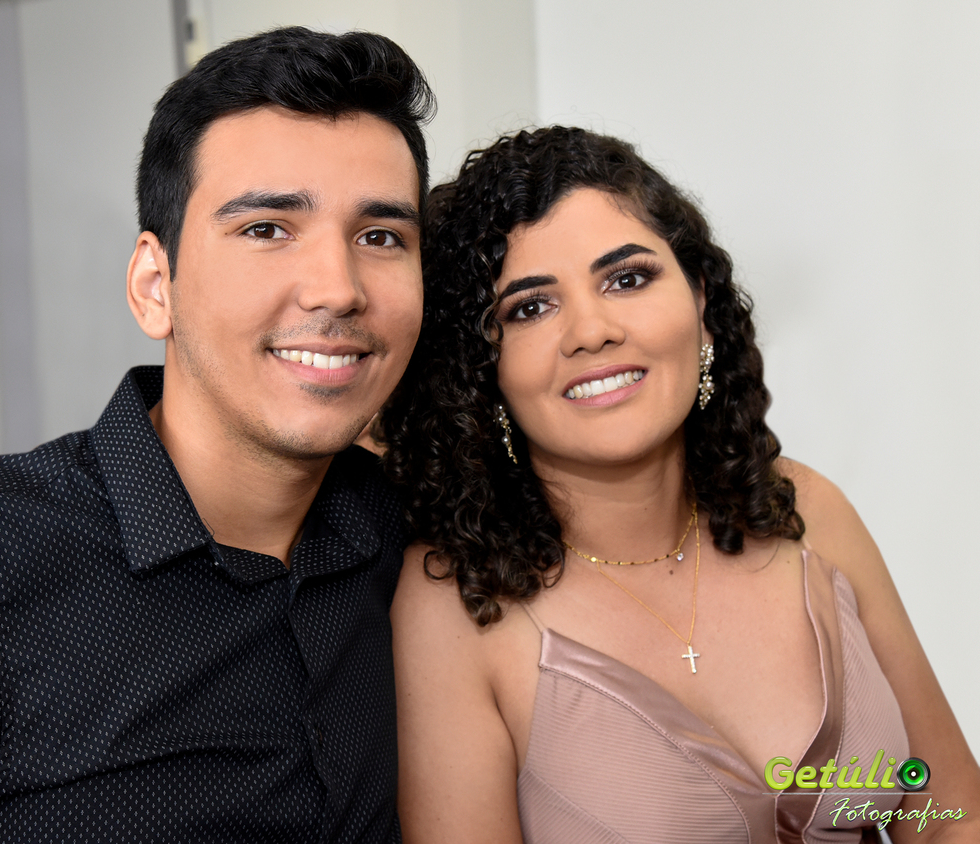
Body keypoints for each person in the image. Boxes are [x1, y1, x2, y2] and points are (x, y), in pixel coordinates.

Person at [0, 27, 432, 842]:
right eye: (267, 228)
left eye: (381, 237)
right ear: (155, 285)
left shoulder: (404, 539)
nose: (338, 288)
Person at [383, 126, 980, 843]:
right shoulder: (454, 601)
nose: (592, 330)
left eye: (627, 279)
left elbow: (951, 816)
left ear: (699, 301)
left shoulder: (805, 509)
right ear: (482, 369)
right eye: (530, 307)